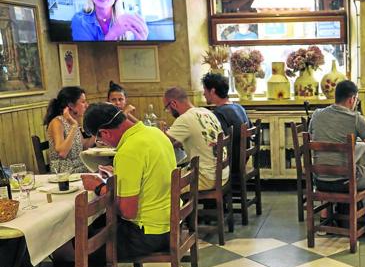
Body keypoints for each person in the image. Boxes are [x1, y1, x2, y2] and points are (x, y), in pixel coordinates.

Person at [81, 103, 175, 258]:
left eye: (100, 139)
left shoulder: (128, 151)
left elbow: (128, 212)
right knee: (96, 227)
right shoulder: (155, 132)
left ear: (105, 133)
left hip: (148, 234)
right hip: (170, 223)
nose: (103, 143)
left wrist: (99, 187)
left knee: (77, 250)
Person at [309, 80, 365, 243]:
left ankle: (325, 221)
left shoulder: (317, 114)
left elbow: (315, 138)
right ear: (352, 99)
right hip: (345, 182)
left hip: (319, 180)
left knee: (328, 166)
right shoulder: (355, 119)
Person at [162, 86, 229, 191]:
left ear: (173, 104)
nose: (168, 112)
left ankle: (183, 207)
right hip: (223, 173)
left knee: (162, 186)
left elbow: (161, 143)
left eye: (167, 108)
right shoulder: (206, 112)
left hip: (206, 178)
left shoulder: (184, 119)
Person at [202, 72, 250, 178]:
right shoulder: (239, 107)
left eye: (205, 89)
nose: (203, 94)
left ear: (212, 91)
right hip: (242, 161)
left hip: (230, 165)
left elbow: (216, 142)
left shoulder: (218, 113)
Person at [43, 86, 95, 173]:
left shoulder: (72, 120)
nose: (87, 105)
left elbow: (84, 146)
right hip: (65, 172)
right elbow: (62, 152)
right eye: (83, 102)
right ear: (71, 105)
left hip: (79, 167)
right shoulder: (57, 122)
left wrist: (97, 132)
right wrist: (74, 126)